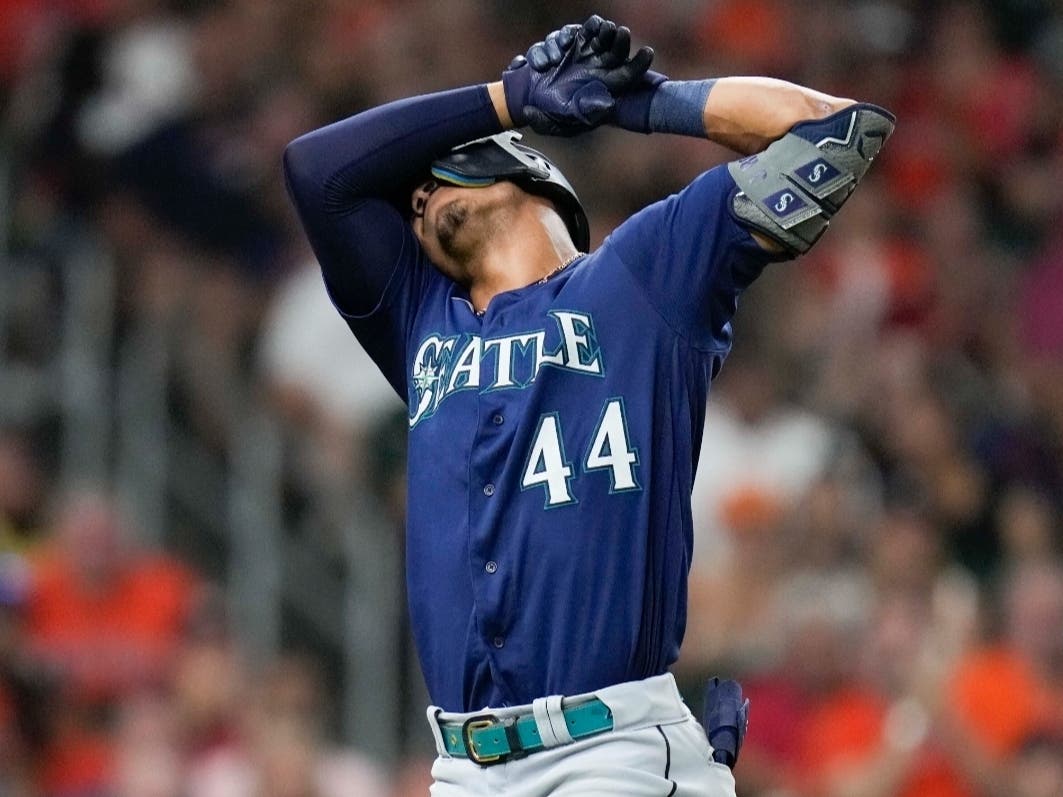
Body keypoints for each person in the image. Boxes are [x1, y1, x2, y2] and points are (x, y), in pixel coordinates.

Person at [284, 14, 894, 796]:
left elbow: (834, 131)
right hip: (463, 767)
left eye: (434, 172)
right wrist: (507, 100)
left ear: (528, 176)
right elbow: (317, 170)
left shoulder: (643, 276)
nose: (414, 196)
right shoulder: (420, 319)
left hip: (610, 753)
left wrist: (645, 105)